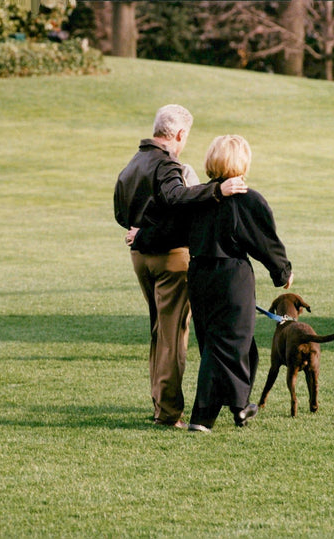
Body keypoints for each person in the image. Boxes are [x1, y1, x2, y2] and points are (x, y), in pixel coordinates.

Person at [114, 105, 247, 429]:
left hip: (140, 257)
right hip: (171, 259)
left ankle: (159, 402)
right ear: (179, 134)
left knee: (160, 331)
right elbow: (177, 197)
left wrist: (139, 230)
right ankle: (168, 413)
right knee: (174, 336)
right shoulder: (167, 164)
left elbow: (120, 211)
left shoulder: (134, 162)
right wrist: (217, 189)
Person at [186, 135, 294, 432]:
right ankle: (203, 418)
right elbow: (265, 241)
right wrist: (283, 273)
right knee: (224, 347)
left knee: (234, 345)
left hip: (198, 276)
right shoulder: (246, 199)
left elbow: (171, 227)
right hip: (232, 278)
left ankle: (240, 406)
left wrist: (141, 236)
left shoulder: (196, 197)